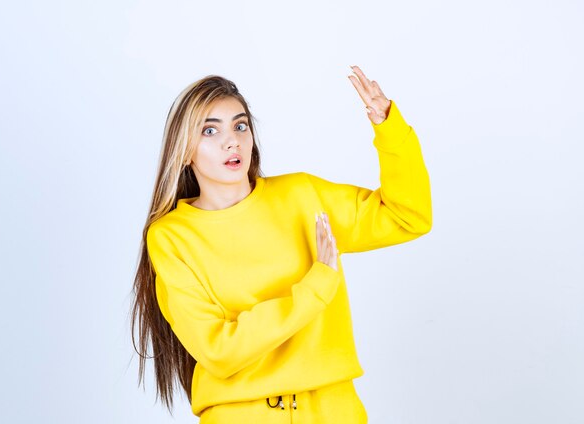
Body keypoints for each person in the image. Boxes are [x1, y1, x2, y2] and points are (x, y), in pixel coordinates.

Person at [130, 66, 432, 423]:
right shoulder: (172, 237)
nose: (233, 141)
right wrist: (316, 286)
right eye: (210, 130)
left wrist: (390, 131)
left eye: (240, 126)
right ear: (183, 151)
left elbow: (407, 216)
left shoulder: (303, 196)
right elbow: (218, 350)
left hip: (334, 410)